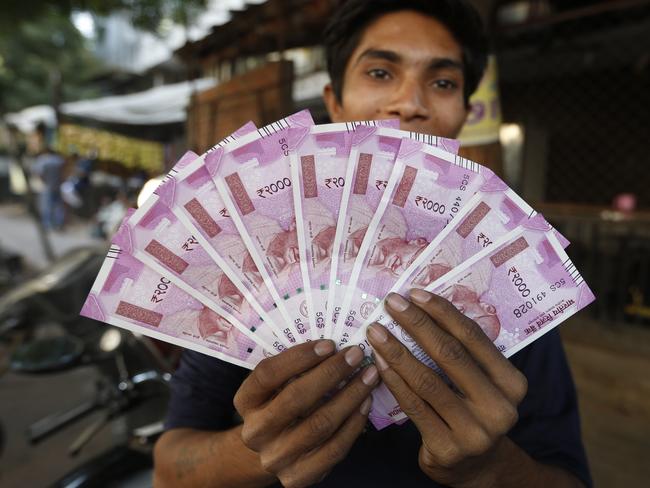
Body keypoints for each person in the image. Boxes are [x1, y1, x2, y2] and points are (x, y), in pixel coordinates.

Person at [153, 1, 591, 487]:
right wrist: (257, 450)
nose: (410, 102)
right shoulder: (256, 262)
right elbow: (170, 469)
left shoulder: (507, 280)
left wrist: (490, 468)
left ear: (463, 115)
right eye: (381, 72)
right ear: (334, 101)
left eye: (442, 82)